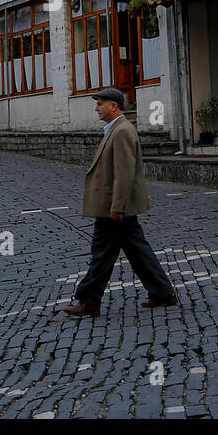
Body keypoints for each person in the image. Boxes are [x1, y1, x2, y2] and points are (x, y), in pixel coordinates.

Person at [62, 88, 178, 316]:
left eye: (100, 103)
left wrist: (117, 205)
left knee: (102, 253)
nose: (97, 108)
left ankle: (89, 300)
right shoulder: (115, 129)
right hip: (114, 205)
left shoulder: (122, 131)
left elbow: (124, 173)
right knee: (137, 250)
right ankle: (163, 292)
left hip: (112, 207)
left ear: (114, 106)